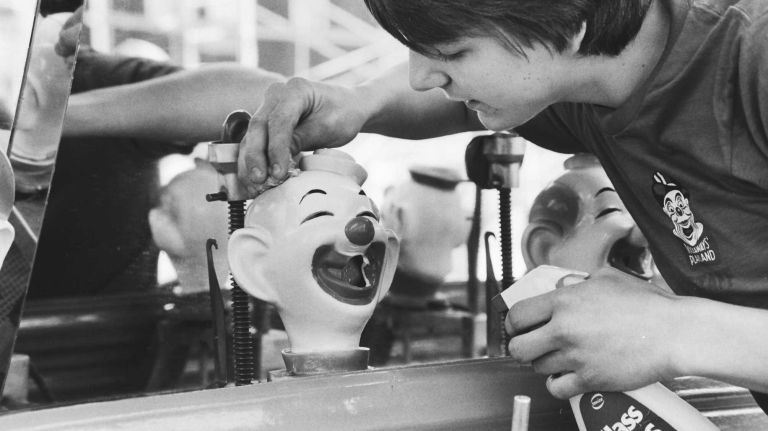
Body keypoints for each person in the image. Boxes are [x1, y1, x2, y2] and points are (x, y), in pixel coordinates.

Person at [232, 0, 768, 412]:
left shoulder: (754, 58)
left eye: (451, 53)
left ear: (567, 17)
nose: (421, 76)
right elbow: (453, 105)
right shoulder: (585, 85)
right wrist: (359, 102)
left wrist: (670, 331)